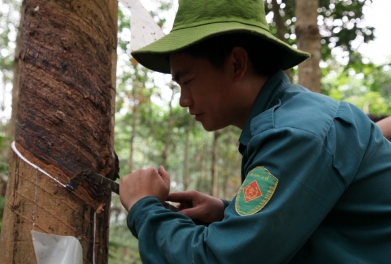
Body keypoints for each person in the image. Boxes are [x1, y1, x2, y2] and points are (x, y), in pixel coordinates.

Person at [119, 0, 391, 263]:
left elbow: (216, 259)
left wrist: (144, 207)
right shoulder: (290, 119)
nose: (183, 100)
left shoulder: (295, 134)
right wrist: (228, 213)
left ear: (236, 64)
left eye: (187, 81)